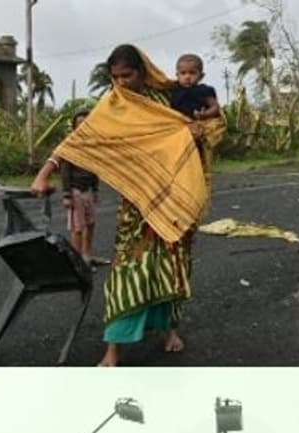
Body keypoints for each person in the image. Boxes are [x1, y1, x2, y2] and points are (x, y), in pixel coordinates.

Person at [31, 44, 225, 366]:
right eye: (115, 77)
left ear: (142, 71)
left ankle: (168, 330)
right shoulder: (113, 107)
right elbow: (79, 140)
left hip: (174, 200)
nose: (121, 83)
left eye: (128, 75)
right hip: (136, 209)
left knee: (173, 267)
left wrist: (198, 129)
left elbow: (216, 125)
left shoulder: (170, 97)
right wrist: (44, 172)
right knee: (127, 272)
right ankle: (113, 348)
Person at [60, 110, 102, 265]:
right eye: (80, 123)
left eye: (86, 122)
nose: (83, 126)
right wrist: (66, 195)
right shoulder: (70, 145)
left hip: (89, 190)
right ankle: (77, 263)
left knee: (90, 224)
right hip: (75, 191)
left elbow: (95, 168)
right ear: (75, 126)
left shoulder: (92, 145)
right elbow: (64, 172)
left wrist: (96, 189)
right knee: (77, 229)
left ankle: (87, 257)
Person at [170, 54, 221, 122]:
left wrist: (205, 114)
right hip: (178, 122)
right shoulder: (174, 89)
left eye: (192, 73)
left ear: (201, 76)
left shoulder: (203, 90)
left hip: (199, 121)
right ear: (177, 75)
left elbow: (215, 107)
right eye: (183, 73)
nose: (187, 77)